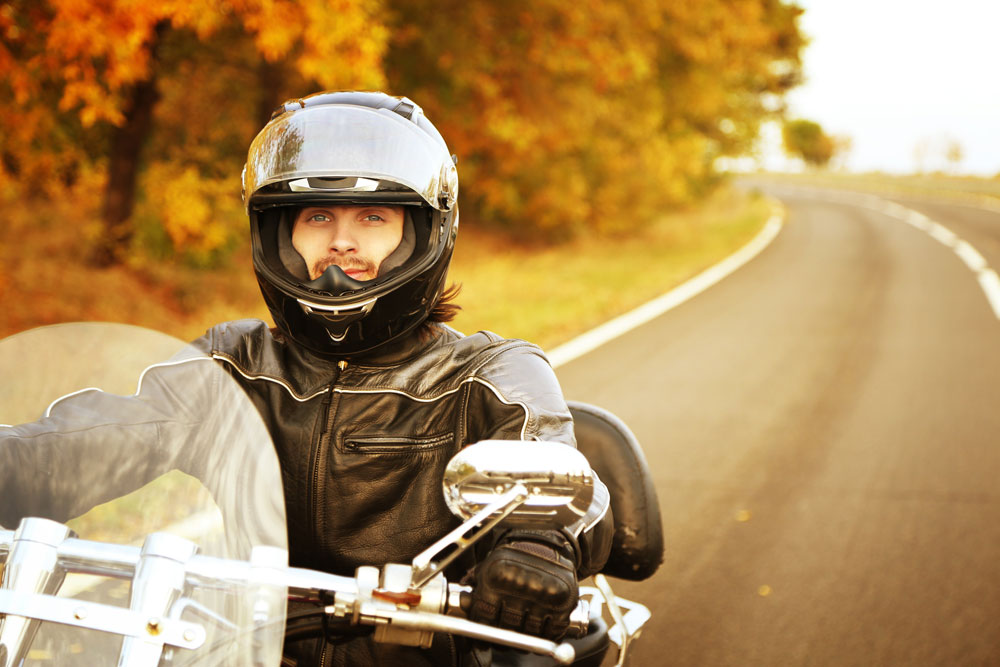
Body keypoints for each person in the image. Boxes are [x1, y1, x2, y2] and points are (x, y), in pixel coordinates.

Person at [191, 90, 613, 665]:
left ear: (423, 231)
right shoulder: (230, 360)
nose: (341, 240)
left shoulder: (487, 375)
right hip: (239, 648)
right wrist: (27, 459)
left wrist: (540, 544)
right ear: (279, 235)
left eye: (372, 216)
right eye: (317, 217)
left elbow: (567, 486)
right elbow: (105, 432)